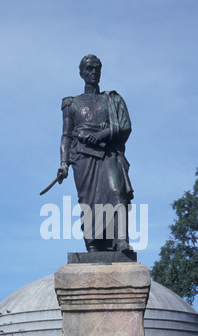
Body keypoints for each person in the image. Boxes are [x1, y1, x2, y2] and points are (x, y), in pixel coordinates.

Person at [59, 54, 134, 252]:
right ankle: (94, 244)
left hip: (107, 153)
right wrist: (63, 164)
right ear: (81, 72)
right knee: (88, 201)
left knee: (116, 191)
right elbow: (66, 136)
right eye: (89, 69)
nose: (93, 72)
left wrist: (103, 134)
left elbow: (125, 126)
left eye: (97, 69)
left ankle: (122, 240)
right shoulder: (71, 103)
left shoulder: (111, 99)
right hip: (82, 158)